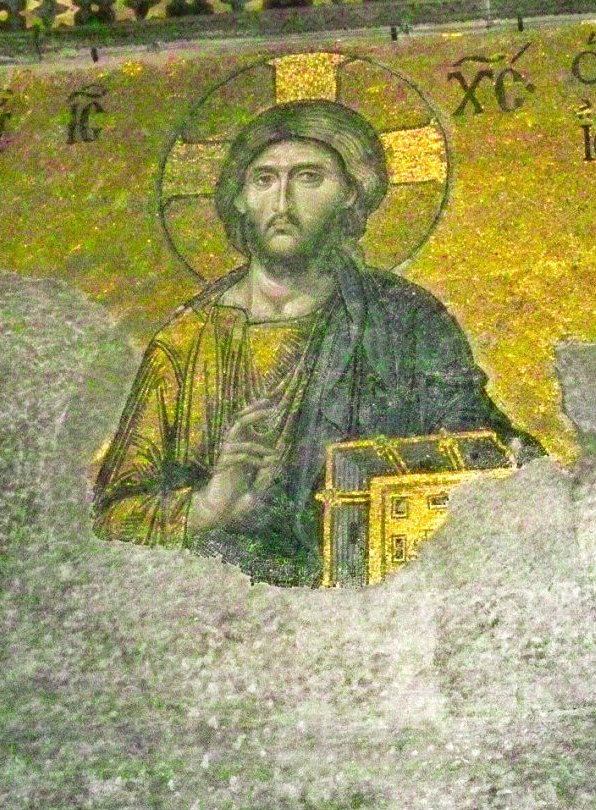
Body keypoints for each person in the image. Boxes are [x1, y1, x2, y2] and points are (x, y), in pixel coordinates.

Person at [93, 99, 527, 586]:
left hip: (374, 598)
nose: (282, 203)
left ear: (350, 194)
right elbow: (110, 517)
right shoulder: (185, 345)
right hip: (220, 603)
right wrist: (211, 505)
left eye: (308, 178)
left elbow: (486, 451)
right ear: (240, 198)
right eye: (264, 180)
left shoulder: (405, 321)